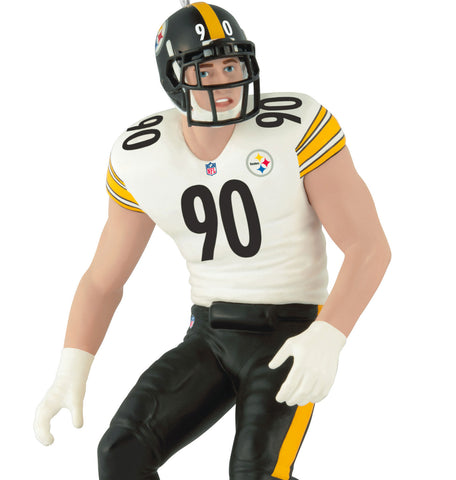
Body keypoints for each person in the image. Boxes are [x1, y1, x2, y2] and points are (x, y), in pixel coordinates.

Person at [34, 2, 391, 480]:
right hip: (210, 335)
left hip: (291, 334)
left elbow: (369, 247)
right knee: (120, 453)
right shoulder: (142, 154)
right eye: (205, 69)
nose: (223, 80)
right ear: (174, 77)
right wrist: (71, 367)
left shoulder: (296, 126)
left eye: (231, 65)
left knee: (255, 471)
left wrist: (330, 333)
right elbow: (103, 280)